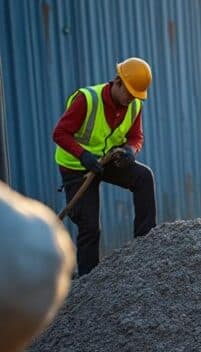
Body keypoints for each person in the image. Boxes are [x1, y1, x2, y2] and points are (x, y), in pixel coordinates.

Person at [52, 57, 155, 276]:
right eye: (128, 93)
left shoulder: (134, 104)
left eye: (136, 95)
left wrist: (130, 150)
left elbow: (136, 137)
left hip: (107, 161)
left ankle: (147, 247)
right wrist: (83, 156)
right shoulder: (87, 99)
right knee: (90, 227)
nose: (131, 99)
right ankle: (88, 281)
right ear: (117, 82)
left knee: (144, 177)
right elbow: (59, 134)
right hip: (76, 166)